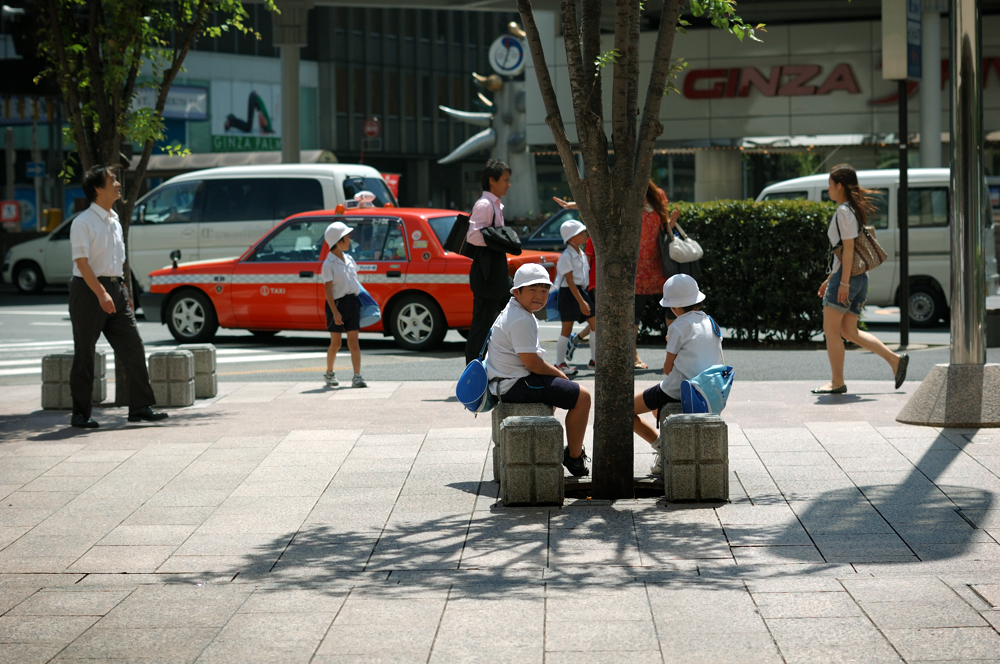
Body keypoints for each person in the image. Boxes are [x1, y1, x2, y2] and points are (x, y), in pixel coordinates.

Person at [68, 165, 167, 428]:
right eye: (112, 180)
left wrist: (122, 290)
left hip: (115, 291)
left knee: (134, 347)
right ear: (98, 188)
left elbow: (118, 260)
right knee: (85, 353)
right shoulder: (83, 222)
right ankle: (80, 413)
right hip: (89, 291)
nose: (118, 183)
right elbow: (82, 263)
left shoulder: (114, 220)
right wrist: (101, 294)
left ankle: (140, 407)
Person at [486, 264, 591, 477]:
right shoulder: (520, 318)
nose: (539, 296)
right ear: (517, 292)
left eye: (544, 290)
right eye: (532, 289)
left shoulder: (515, 309)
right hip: (513, 384)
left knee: (558, 390)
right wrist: (559, 374)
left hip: (506, 380)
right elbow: (532, 363)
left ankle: (555, 449)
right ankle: (574, 456)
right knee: (583, 397)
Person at [813, 164, 908, 395]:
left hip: (849, 279)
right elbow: (848, 252)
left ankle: (837, 382)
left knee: (831, 330)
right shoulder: (852, 210)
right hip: (858, 278)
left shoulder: (844, 211)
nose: (828, 190)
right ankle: (895, 361)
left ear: (839, 186)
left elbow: (848, 248)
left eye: (830, 184)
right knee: (849, 331)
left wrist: (842, 283)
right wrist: (832, 279)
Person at [633, 274, 724, 473]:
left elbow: (667, 370)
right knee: (656, 409)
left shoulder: (677, 326)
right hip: (708, 389)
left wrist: (670, 341)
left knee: (625, 410)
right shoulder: (711, 322)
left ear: (673, 307)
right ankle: (665, 448)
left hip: (679, 389)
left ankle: (661, 447)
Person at [464, 159, 513, 364]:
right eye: (505, 180)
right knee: (481, 326)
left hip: (497, 273)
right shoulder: (485, 205)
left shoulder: (495, 205)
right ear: (492, 180)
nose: (508, 184)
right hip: (487, 274)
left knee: (514, 311)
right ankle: (471, 376)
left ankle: (502, 364)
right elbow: (472, 236)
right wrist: (498, 239)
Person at [634, 182, 680, 369]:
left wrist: (674, 220)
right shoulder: (630, 197)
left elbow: (665, 229)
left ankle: (675, 354)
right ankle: (633, 356)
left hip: (659, 261)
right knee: (635, 313)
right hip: (637, 264)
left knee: (673, 306)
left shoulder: (658, 195)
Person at [322, 221, 367, 388]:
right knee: (336, 343)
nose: (350, 240)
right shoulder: (328, 264)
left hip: (352, 303)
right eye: (347, 237)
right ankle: (329, 373)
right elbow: (328, 292)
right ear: (338, 241)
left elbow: (355, 282)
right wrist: (335, 312)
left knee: (354, 342)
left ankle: (357, 376)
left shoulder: (349, 259)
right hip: (337, 305)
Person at [554, 220, 597, 376]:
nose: (585, 234)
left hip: (580, 292)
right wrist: (581, 301)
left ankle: (594, 360)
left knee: (595, 324)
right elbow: (570, 281)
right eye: (580, 233)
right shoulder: (566, 255)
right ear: (571, 238)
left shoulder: (580, 253)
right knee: (566, 329)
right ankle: (559, 363)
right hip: (569, 294)